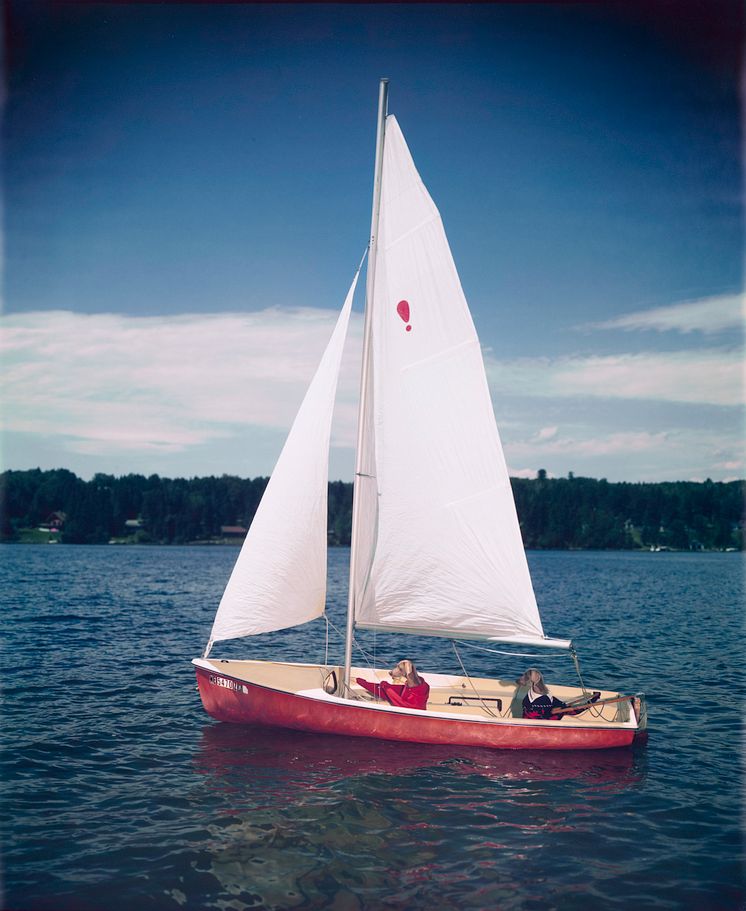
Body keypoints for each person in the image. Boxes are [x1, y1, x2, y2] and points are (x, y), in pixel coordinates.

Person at [516, 668, 599, 721]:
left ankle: (593, 700)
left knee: (566, 707)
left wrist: (562, 705)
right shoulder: (544, 696)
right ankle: (593, 700)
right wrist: (562, 706)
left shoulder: (543, 695)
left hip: (534, 715)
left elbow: (552, 702)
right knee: (568, 709)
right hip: (537, 718)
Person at [356, 660, 430, 710]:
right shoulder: (415, 686)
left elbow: (405, 706)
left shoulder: (414, 694)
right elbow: (385, 690)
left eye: (400, 669)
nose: (393, 671)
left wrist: (386, 687)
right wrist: (362, 683)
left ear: (407, 672)